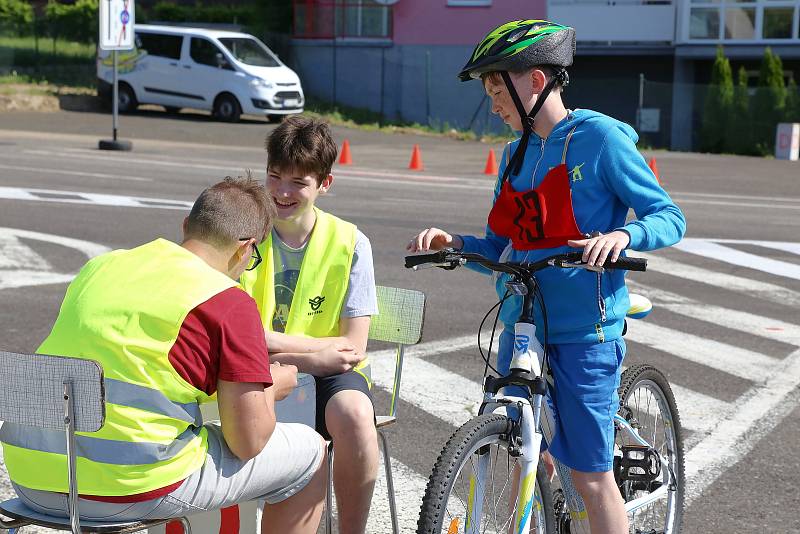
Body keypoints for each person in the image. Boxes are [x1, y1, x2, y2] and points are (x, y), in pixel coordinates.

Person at [407, 20, 686, 534]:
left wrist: (622, 238)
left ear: (535, 81)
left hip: (584, 330)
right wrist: (456, 245)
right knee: (522, 447)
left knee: (592, 476)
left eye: (498, 90)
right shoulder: (514, 157)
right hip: (524, 326)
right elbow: (500, 246)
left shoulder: (599, 139)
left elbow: (669, 216)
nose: (493, 105)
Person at [1, 176, 327, 534]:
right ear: (245, 248)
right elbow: (248, 441)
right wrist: (272, 385)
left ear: (186, 226)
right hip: (127, 490)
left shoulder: (100, 268)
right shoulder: (228, 301)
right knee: (310, 450)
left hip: (31, 479)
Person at [240, 115, 379, 534]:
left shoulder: (351, 242)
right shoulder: (243, 231)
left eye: (298, 182)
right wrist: (312, 355)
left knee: (355, 413)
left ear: (325, 184)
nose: (282, 192)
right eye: (274, 177)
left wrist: (284, 352)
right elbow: (233, 338)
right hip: (255, 368)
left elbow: (352, 347)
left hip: (326, 375)